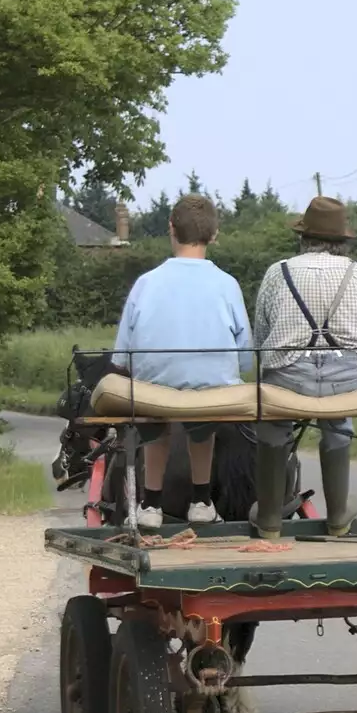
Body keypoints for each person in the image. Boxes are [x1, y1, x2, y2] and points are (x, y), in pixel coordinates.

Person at [248, 195, 357, 539]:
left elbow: (260, 340)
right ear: (343, 242)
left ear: (303, 237)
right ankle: (338, 516)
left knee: (273, 426)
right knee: (338, 419)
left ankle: (270, 517)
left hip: (287, 378)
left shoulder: (278, 272)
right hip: (348, 382)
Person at [111, 194, 252, 529]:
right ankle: (202, 500)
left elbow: (122, 356)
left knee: (155, 412)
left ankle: (150, 504)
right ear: (214, 235)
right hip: (212, 392)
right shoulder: (227, 285)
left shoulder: (145, 284)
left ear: (170, 229)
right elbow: (245, 357)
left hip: (154, 391)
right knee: (202, 418)